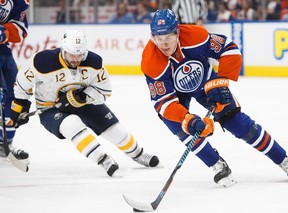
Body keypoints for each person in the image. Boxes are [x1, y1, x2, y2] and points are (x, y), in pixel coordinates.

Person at [140, 9, 288, 187]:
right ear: (153, 37)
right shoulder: (150, 62)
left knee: (238, 123)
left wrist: (221, 80)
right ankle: (216, 163)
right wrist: (187, 119)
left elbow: (228, 48)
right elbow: (164, 103)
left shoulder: (195, 35)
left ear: (177, 32)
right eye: (158, 38)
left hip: (206, 83)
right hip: (176, 94)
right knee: (181, 125)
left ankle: (283, 159)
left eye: (168, 37)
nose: (163, 44)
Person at [8, 29, 160, 177]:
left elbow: (104, 91)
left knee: (114, 129)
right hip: (50, 109)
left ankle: (138, 154)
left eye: (80, 54)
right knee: (71, 124)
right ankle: (103, 160)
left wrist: (81, 97)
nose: (76, 59)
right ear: (63, 50)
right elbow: (22, 82)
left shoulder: (93, 62)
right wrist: (20, 106)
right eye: (72, 54)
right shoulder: (43, 61)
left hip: (83, 104)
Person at [0, 0, 30, 161]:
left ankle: (5, 142)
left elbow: (21, 28)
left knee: (15, 93)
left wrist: (4, 32)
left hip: (3, 50)